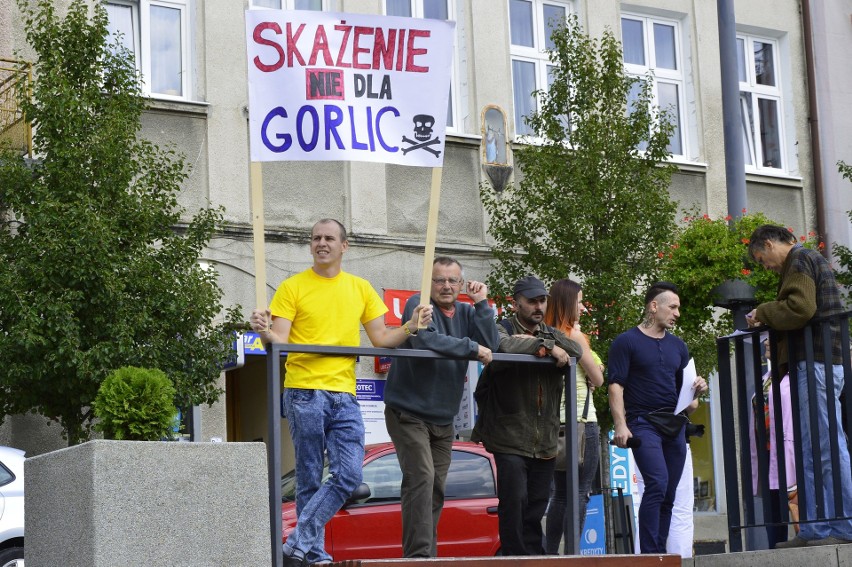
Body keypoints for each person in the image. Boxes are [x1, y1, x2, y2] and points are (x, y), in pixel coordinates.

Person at [249, 219, 432, 567]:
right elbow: (280, 341)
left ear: (343, 246)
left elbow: (381, 339)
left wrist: (410, 326)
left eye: (329, 238)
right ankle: (314, 555)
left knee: (349, 474)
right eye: (316, 238)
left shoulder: (360, 287)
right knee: (307, 479)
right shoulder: (292, 286)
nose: (321, 243)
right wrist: (264, 333)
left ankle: (297, 542)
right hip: (305, 390)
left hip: (345, 394)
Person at [382, 256, 499, 558]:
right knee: (421, 478)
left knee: (435, 488)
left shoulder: (466, 311)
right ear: (428, 283)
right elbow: (424, 340)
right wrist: (471, 348)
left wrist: (482, 304)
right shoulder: (417, 305)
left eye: (452, 280)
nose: (446, 286)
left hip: (443, 418)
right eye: (439, 280)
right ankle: (418, 558)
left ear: (461, 284)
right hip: (407, 412)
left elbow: (491, 344)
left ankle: (425, 554)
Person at [746, 224, 852, 547]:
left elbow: (801, 308)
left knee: (826, 447)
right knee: (814, 450)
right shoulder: (805, 260)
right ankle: (815, 529)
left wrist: (764, 311)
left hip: (816, 363)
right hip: (817, 363)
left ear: (768, 244)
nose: (767, 266)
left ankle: (843, 526)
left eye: (763, 259)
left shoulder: (800, 259)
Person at [471, 275, 583, 555]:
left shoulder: (549, 331)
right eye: (531, 301)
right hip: (508, 435)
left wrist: (546, 342)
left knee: (536, 505)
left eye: (542, 300)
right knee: (515, 503)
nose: (538, 306)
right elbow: (501, 346)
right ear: (515, 303)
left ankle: (534, 559)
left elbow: (575, 350)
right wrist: (542, 348)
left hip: (544, 439)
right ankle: (515, 559)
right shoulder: (501, 327)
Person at [608, 281, 707, 554]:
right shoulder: (626, 341)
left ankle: (660, 554)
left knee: (669, 496)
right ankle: (650, 556)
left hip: (674, 426)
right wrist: (621, 425)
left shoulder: (679, 346)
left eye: (678, 308)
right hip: (642, 423)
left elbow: (691, 406)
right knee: (657, 484)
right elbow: (615, 386)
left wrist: (697, 389)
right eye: (673, 307)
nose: (677, 313)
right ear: (654, 306)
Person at [542, 279, 605, 554]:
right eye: (579, 301)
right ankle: (573, 555)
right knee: (580, 493)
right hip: (582, 423)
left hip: (556, 425)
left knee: (560, 495)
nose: (582, 307)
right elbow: (598, 378)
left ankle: (550, 553)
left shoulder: (547, 335)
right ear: (568, 304)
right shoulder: (574, 336)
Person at [634, 397, 701, 558]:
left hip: (645, 436)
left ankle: (649, 557)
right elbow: (692, 404)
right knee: (678, 508)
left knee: (649, 502)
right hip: (674, 437)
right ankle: (674, 559)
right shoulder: (678, 372)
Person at [748, 338, 797, 549]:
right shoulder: (766, 378)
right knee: (772, 505)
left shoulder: (794, 376)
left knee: (793, 500)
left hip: (789, 448)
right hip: (766, 450)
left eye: (772, 337)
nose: (767, 342)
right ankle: (775, 549)